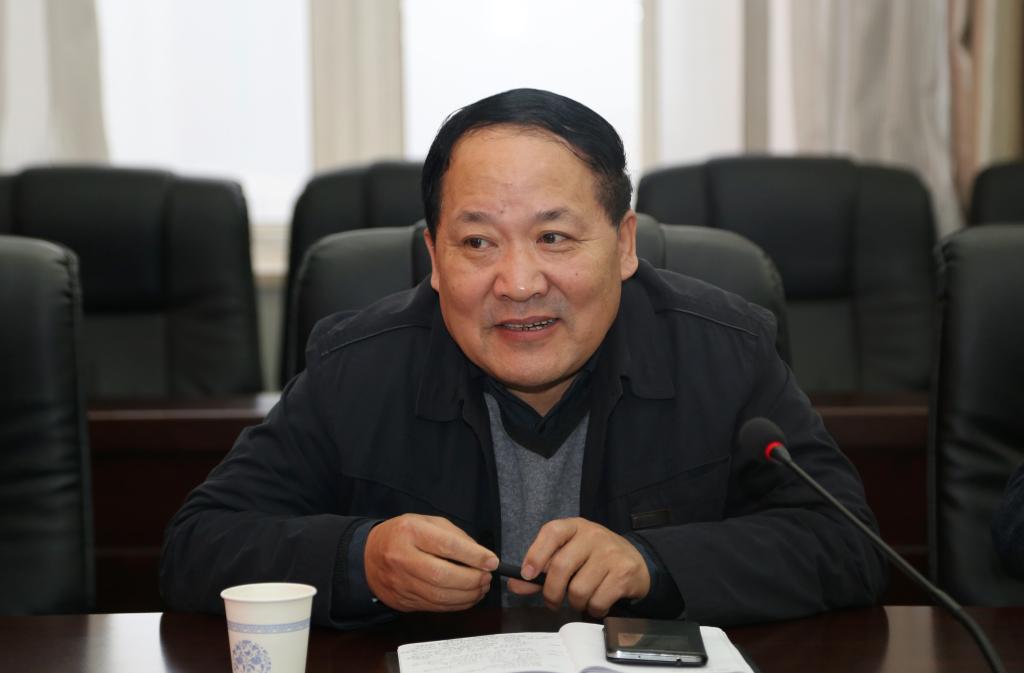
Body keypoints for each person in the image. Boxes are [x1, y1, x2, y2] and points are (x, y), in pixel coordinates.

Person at [160, 88, 886, 629]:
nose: (517, 283)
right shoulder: (357, 367)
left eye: (554, 238)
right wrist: (362, 557)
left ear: (624, 243)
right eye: (477, 242)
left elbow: (847, 546)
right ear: (434, 257)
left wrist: (654, 564)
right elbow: (197, 545)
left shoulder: (725, 352)